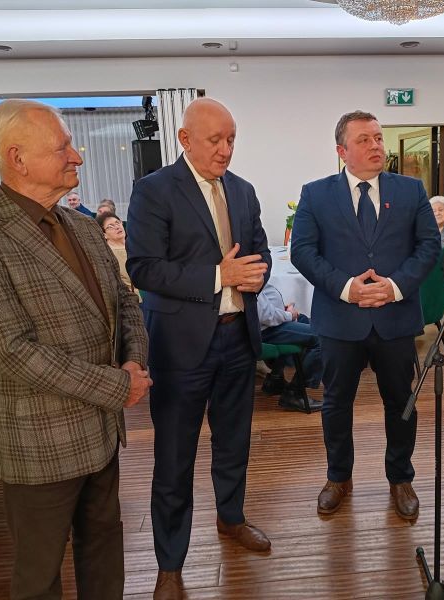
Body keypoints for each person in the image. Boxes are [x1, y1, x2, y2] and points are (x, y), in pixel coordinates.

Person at [0, 99, 151, 599]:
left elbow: (125, 301)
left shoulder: (82, 226)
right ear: (17, 158)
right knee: (39, 576)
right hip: (39, 441)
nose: (76, 156)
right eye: (63, 147)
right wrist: (118, 386)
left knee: (104, 555)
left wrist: (133, 360)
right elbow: (13, 350)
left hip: (102, 432)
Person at [126, 97, 271, 600]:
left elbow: (261, 251)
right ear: (185, 139)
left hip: (238, 338)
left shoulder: (244, 190)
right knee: (174, 457)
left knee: (234, 443)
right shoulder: (153, 190)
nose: (226, 149)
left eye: (231, 139)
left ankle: (231, 517)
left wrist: (257, 275)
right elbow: (143, 268)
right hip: (180, 346)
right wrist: (218, 275)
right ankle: (170, 562)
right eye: (215, 140)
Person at [290, 110, 439, 522]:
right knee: (336, 402)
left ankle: (401, 478)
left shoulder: (410, 190)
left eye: (378, 138)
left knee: (401, 401)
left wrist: (393, 287)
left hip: (395, 317)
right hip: (340, 319)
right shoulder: (316, 194)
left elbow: (429, 246)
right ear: (342, 151)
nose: (376, 146)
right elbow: (303, 251)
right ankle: (338, 477)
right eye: (364, 140)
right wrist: (346, 287)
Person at [257, 280, 322, 411]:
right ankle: (294, 393)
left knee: (305, 319)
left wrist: (281, 310)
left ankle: (275, 380)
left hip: (269, 324)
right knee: (322, 338)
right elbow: (264, 316)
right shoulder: (247, 278)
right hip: (265, 330)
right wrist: (288, 315)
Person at [96, 211, 140, 301]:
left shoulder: (136, 245)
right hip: (133, 301)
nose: (117, 227)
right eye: (110, 226)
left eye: (117, 222)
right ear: (104, 235)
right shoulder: (108, 255)